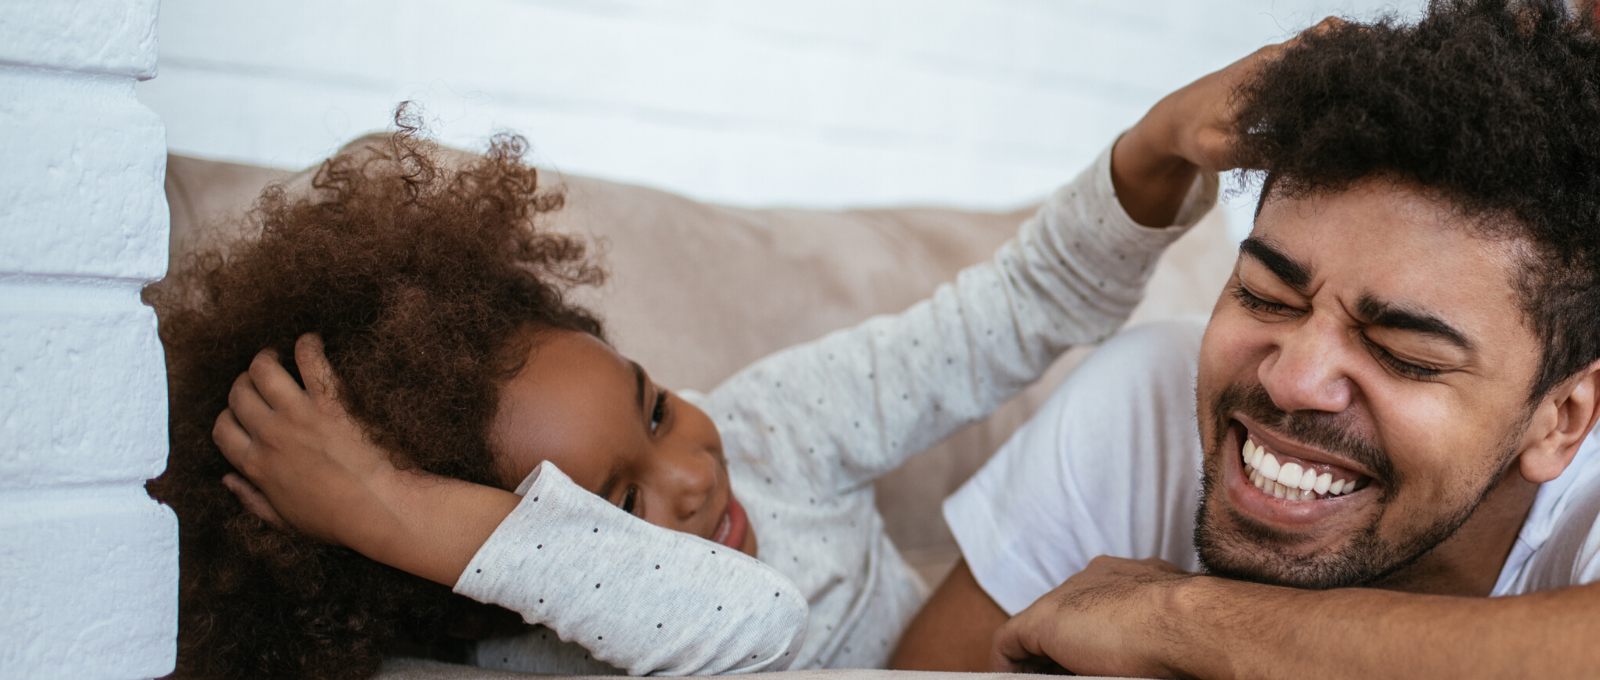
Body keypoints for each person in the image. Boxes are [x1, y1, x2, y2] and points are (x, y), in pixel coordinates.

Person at [156, 37, 1235, 675]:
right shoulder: (533, 643)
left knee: (1151, 370)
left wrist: (1151, 149)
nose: (691, 474)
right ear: (482, 557)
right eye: (614, 502)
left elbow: (1001, 318)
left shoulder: (768, 429)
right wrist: (385, 503)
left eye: (656, 406)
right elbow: (753, 620)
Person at [891, 1, 1600, 677]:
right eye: (1267, 296)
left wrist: (1177, 620)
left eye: (1401, 353)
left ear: (1561, 420)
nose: (1292, 379)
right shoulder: (1144, 400)